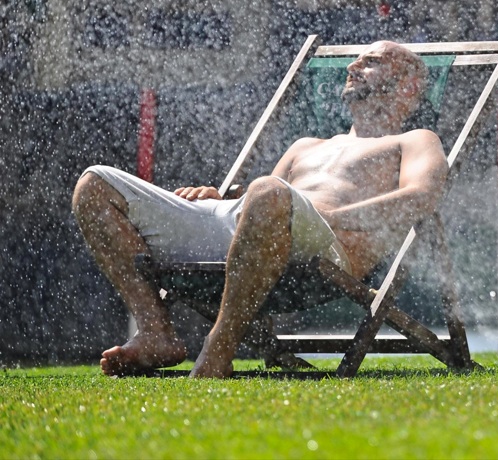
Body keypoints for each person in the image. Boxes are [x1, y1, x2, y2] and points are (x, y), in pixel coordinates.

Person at [71, 41, 448, 377]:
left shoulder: (415, 140)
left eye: (372, 61)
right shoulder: (306, 145)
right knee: (95, 184)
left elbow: (422, 197)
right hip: (255, 232)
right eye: (356, 61)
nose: (352, 67)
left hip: (324, 243)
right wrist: (221, 197)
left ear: (408, 86)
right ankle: (156, 331)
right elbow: (262, 204)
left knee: (268, 190)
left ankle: (219, 345)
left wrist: (331, 217)